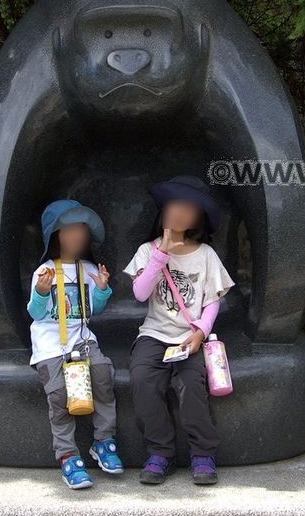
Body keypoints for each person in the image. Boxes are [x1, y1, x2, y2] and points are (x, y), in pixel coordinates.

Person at [123, 175, 235, 485]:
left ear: (199, 217)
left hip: (191, 338)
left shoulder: (206, 255)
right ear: (163, 209)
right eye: (174, 205)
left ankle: (203, 454)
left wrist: (200, 331)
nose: (179, 213)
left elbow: (212, 300)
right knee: (142, 379)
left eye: (189, 208)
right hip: (154, 335)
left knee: (191, 385)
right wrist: (162, 254)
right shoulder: (148, 251)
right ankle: (160, 453)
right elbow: (140, 293)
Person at [27, 199, 124, 489]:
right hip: (51, 344)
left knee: (103, 376)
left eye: (81, 232)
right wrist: (42, 293)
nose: (76, 237)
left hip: (82, 340)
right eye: (69, 231)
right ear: (56, 235)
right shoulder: (44, 271)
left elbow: (94, 309)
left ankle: (104, 441)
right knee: (58, 396)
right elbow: (35, 313)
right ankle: (68, 455)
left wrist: (103, 289)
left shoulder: (88, 269)